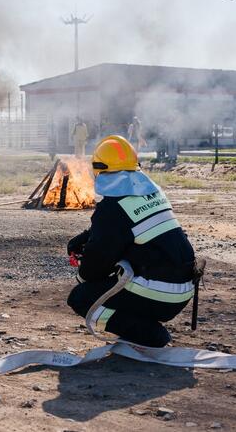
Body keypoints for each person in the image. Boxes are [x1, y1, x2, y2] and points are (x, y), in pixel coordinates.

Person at [66, 135, 198, 347]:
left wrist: (83, 272)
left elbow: (94, 268)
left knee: (81, 298)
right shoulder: (153, 194)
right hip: (182, 289)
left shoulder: (111, 208)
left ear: (99, 169)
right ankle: (139, 323)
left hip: (160, 293)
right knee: (116, 280)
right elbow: (126, 226)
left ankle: (149, 334)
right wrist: (86, 238)